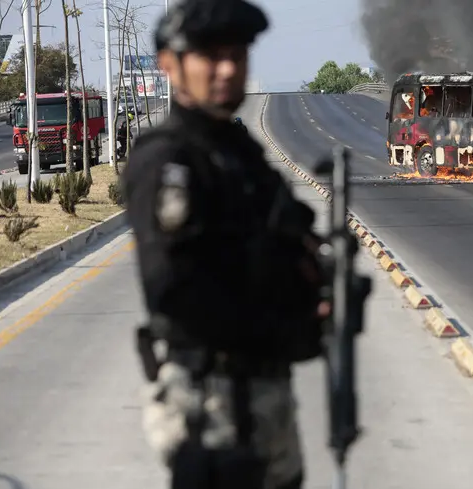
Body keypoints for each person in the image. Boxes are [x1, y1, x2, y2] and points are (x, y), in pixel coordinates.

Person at [122, 0, 328, 487]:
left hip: (264, 395)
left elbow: (284, 243)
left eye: (237, 55)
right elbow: (174, 292)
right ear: (170, 65)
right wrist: (276, 327)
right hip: (211, 404)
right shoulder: (169, 159)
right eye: (211, 56)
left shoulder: (241, 154)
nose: (228, 69)